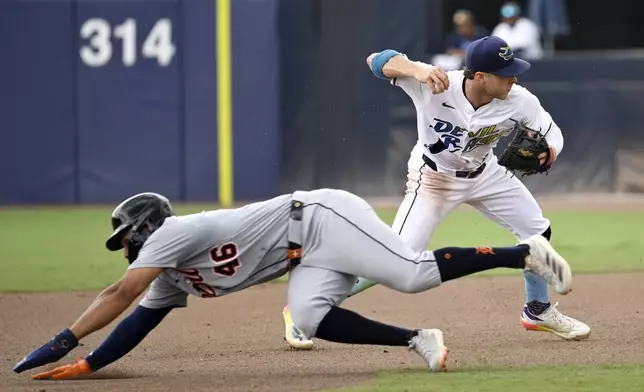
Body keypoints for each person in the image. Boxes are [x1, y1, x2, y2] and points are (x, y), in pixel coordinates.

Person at [13, 189, 573, 379]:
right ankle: (416, 339)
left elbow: (118, 296)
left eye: (127, 238)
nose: (127, 248)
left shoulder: (173, 234)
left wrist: (65, 338)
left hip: (323, 217)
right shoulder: (169, 273)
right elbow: (139, 318)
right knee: (306, 318)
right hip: (305, 253)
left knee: (411, 273)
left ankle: (523, 252)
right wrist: (90, 364)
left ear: (146, 229)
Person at [282, 36, 590, 350]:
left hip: (486, 173)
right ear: (480, 77)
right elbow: (376, 59)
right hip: (434, 178)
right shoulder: (435, 84)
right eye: (505, 72)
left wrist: (550, 151)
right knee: (394, 257)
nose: (514, 77)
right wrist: (415, 69)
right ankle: (306, 306)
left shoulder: (520, 100)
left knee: (537, 230)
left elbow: (551, 131)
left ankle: (537, 310)